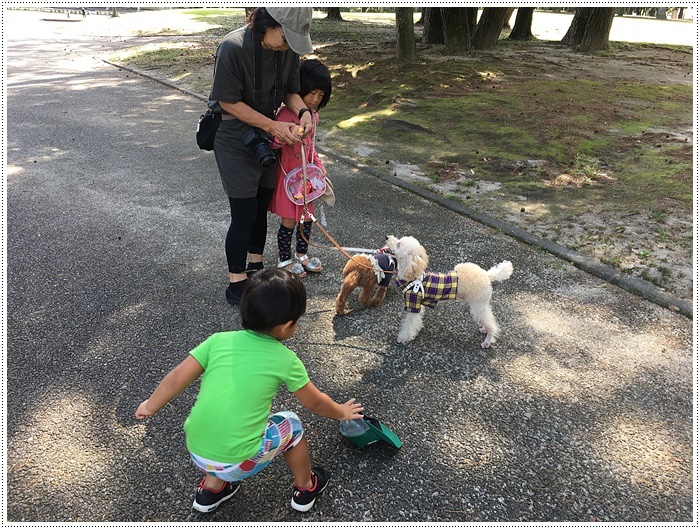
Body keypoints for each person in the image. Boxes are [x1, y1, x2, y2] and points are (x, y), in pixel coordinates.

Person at [135, 268, 364, 513]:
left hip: (197, 451)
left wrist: (150, 405)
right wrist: (341, 412)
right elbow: (315, 403)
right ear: (287, 326)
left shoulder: (217, 341)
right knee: (292, 425)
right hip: (237, 461)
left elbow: (176, 378)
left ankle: (211, 491)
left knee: (224, 424)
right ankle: (306, 487)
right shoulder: (285, 359)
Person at [207, 7, 316, 306]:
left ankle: (256, 266)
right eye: (285, 36)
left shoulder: (288, 49)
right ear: (268, 22)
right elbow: (227, 101)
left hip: (268, 135)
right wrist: (273, 126)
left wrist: (303, 112)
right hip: (232, 135)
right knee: (243, 211)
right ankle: (236, 281)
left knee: (260, 205)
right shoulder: (233, 47)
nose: (287, 45)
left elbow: (291, 91)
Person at [269, 59, 332, 278]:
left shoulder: (314, 117)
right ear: (301, 89)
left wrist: (320, 166)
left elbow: (312, 148)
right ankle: (284, 259)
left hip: (307, 180)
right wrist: (288, 135)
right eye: (312, 92)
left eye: (321, 95)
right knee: (288, 220)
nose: (315, 99)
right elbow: (273, 143)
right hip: (288, 179)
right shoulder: (285, 114)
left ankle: (302, 254)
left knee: (307, 219)